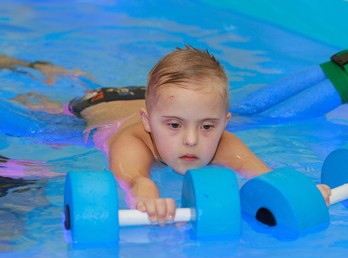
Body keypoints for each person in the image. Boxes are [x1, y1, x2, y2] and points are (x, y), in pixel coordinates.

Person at [2, 47, 331, 224]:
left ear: (225, 121)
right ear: (148, 122)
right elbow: (132, 177)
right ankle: (37, 66)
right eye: (174, 127)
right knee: (40, 118)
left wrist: (305, 191)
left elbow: (265, 176)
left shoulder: (222, 142)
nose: (192, 141)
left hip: (160, 98)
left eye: (207, 126)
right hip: (97, 104)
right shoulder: (132, 141)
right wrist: (143, 190)